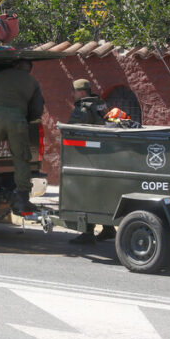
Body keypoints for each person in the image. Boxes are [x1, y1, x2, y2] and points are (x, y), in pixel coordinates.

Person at [0, 59, 44, 214]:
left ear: (16, 65)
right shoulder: (33, 82)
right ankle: (22, 195)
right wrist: (27, 118)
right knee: (21, 158)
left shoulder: (1, 75)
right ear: (29, 69)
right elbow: (37, 108)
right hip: (18, 119)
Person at [67, 79, 117, 244]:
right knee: (102, 193)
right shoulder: (101, 105)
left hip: (88, 158)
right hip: (106, 156)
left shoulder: (82, 108)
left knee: (85, 195)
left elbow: (72, 131)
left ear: (82, 92)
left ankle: (87, 233)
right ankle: (108, 228)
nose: (72, 94)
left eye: (74, 91)